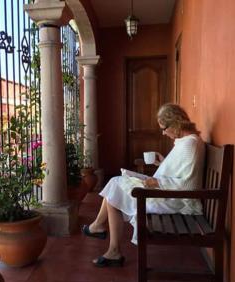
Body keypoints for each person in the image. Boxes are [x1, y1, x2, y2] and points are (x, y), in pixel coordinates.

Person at [82, 103, 205, 267]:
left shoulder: (190, 144)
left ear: (175, 123)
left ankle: (108, 243)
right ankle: (101, 233)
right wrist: (162, 164)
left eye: (164, 128)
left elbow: (187, 186)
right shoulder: (186, 141)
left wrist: (158, 181)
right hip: (165, 193)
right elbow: (179, 171)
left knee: (115, 189)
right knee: (116, 184)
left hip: (175, 200)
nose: (163, 132)